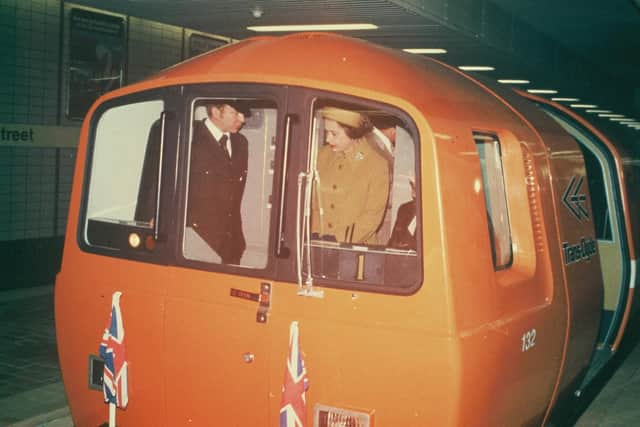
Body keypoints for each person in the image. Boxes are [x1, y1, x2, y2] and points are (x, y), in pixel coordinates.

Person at [311, 106, 390, 244]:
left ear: (352, 132)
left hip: (353, 252)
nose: (328, 139)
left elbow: (372, 217)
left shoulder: (376, 165)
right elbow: (312, 203)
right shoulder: (323, 155)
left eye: (334, 134)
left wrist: (338, 239)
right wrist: (315, 233)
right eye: (326, 132)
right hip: (318, 244)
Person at [186, 101, 249, 264]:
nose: (242, 119)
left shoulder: (241, 143)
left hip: (231, 241)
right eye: (235, 113)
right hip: (197, 240)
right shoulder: (189, 137)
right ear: (215, 112)